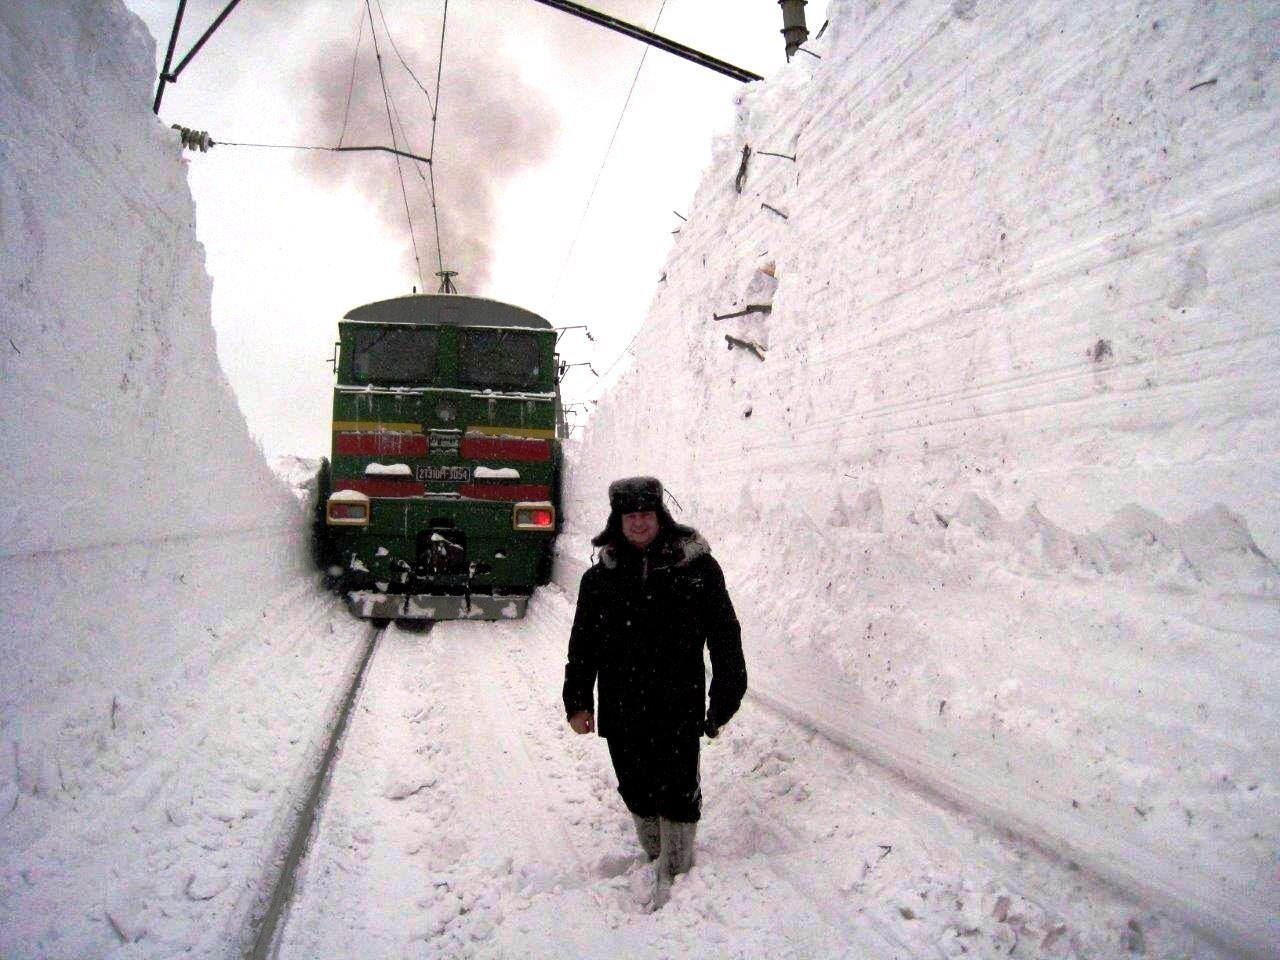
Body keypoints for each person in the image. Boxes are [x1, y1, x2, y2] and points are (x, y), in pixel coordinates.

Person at [562, 476, 748, 907]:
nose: (639, 522)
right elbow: (582, 644)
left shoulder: (696, 567)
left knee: (678, 786)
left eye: (647, 513)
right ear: (618, 519)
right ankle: (654, 853)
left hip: (677, 699)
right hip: (620, 701)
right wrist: (577, 700)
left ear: (660, 516)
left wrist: (726, 691)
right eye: (631, 515)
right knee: (635, 784)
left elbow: (724, 633)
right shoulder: (599, 578)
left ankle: (677, 870)